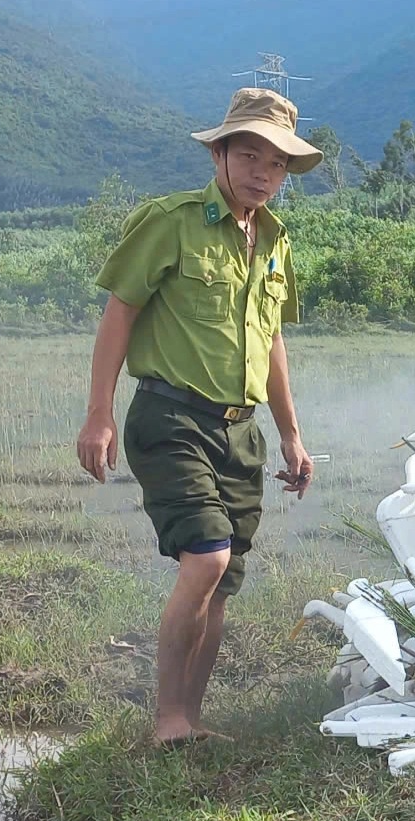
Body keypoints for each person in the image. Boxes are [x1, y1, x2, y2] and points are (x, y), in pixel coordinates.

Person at [75, 88, 322, 747]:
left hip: (240, 430)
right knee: (207, 558)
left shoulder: (274, 241)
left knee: (223, 580)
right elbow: (119, 311)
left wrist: (292, 435)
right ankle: (167, 719)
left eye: (276, 164)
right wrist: (99, 414)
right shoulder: (171, 220)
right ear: (219, 153)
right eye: (249, 155)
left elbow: (271, 342)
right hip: (170, 416)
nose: (262, 172)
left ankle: (190, 718)